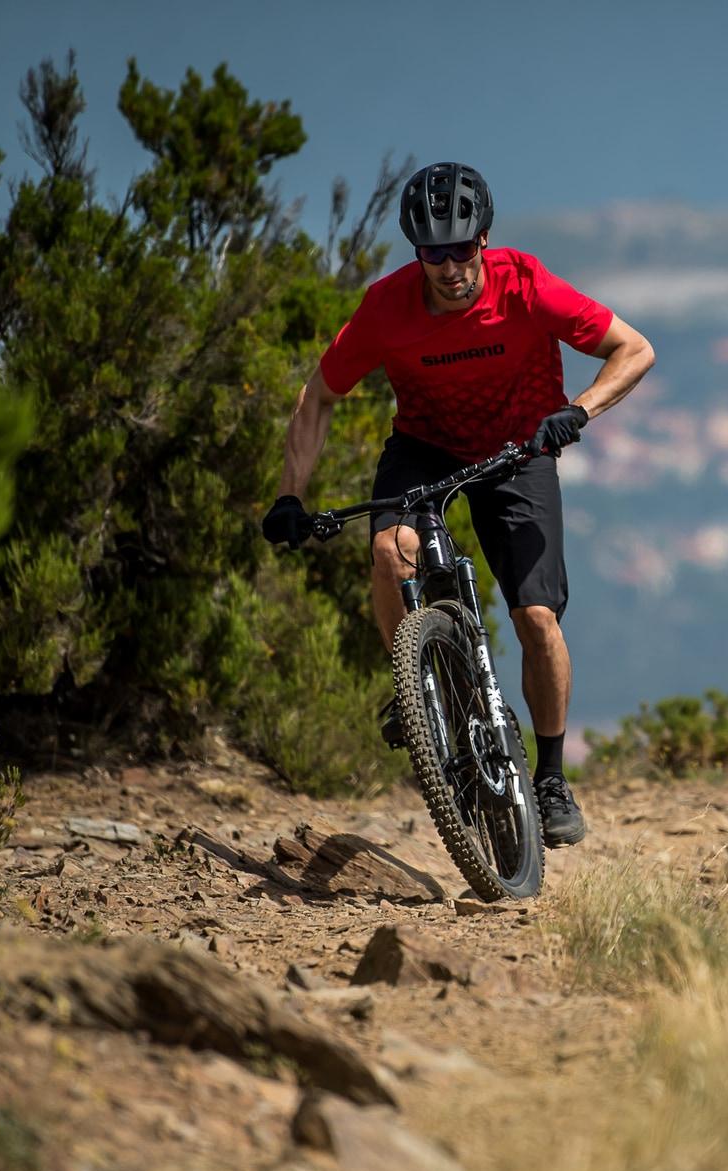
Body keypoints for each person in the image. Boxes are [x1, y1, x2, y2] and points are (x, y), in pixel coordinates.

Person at [261, 162, 654, 848]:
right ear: (417, 254)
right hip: (425, 447)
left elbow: (634, 349)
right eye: (433, 254)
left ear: (485, 239)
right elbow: (319, 395)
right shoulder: (388, 307)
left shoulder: (527, 286)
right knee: (390, 551)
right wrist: (289, 495)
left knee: (537, 619)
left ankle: (553, 777)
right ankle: (414, 687)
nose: (449, 268)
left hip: (518, 451)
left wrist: (577, 412)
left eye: (462, 249)